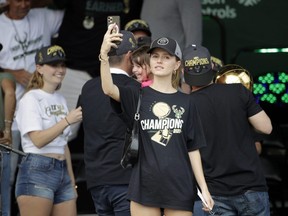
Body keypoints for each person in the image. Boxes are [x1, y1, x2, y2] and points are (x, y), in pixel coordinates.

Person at [99, 24, 214, 216]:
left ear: (177, 64)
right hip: (145, 183)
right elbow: (108, 89)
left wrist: (204, 188)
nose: (159, 61)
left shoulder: (187, 101)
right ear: (149, 61)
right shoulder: (137, 94)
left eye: (166, 57)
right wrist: (103, 54)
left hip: (180, 184)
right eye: (155, 56)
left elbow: (193, 148)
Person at [183, 44, 273, 215]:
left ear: (183, 72)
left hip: (213, 192)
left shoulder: (185, 105)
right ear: (210, 66)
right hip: (251, 187)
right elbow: (266, 128)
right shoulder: (238, 91)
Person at [0, 1, 64, 212]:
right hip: (13, 113)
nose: (24, 4)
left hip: (44, 110)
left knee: (41, 176)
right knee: (7, 176)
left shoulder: (43, 16)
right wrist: (11, 71)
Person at [15, 45, 82, 216]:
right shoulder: (30, 99)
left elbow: (63, 144)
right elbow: (37, 140)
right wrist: (67, 120)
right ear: (39, 68)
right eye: (54, 65)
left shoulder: (60, 98)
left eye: (62, 65)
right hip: (37, 168)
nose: (60, 70)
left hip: (62, 171)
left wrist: (72, 181)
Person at [80, 30, 140, 216]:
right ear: (130, 56)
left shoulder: (88, 87)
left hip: (96, 178)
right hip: (126, 178)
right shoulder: (134, 88)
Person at [0, 72, 16, 216]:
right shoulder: (4, 77)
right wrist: (7, 129)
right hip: (1, 141)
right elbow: (10, 93)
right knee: (4, 198)